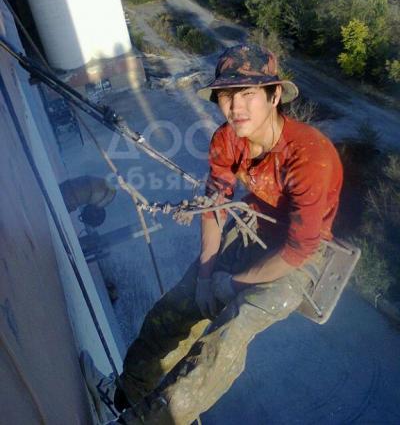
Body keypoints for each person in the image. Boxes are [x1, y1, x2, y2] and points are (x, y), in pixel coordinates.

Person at [81, 44, 343, 424]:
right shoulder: (227, 139)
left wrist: (232, 284)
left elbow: (299, 248)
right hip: (253, 228)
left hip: (299, 256)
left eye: (247, 94)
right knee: (172, 312)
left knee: (227, 335)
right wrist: (205, 278)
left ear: (274, 96)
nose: (235, 107)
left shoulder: (309, 156)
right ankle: (124, 396)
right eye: (225, 96)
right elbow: (215, 206)